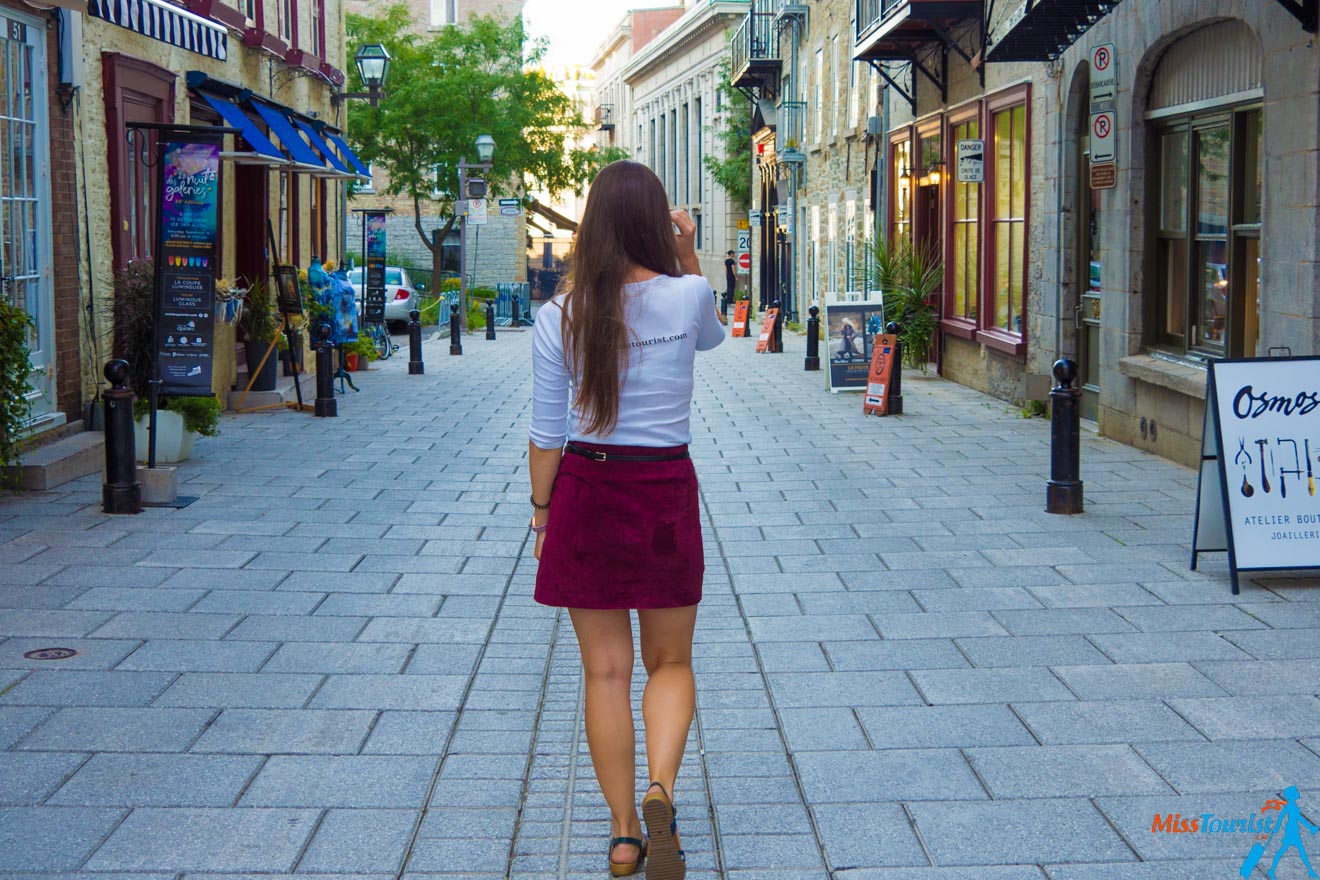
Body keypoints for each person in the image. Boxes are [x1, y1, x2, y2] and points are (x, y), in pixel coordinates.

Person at [529, 160, 726, 879]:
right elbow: (713, 338)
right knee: (669, 661)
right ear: (655, 221)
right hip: (664, 490)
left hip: (587, 488)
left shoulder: (561, 315)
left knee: (604, 672)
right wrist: (688, 253)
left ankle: (622, 837)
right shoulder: (689, 294)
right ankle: (660, 788)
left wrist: (542, 512)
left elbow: (547, 431)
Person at [723, 250, 737, 318]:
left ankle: (728, 300)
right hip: (731, 276)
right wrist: (735, 276)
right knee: (732, 287)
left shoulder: (726, 261)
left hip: (728, 276)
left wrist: (726, 275)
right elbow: (733, 269)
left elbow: (725, 269)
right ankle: (730, 300)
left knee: (729, 287)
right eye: (733, 253)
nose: (734, 254)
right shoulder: (732, 261)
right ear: (731, 254)